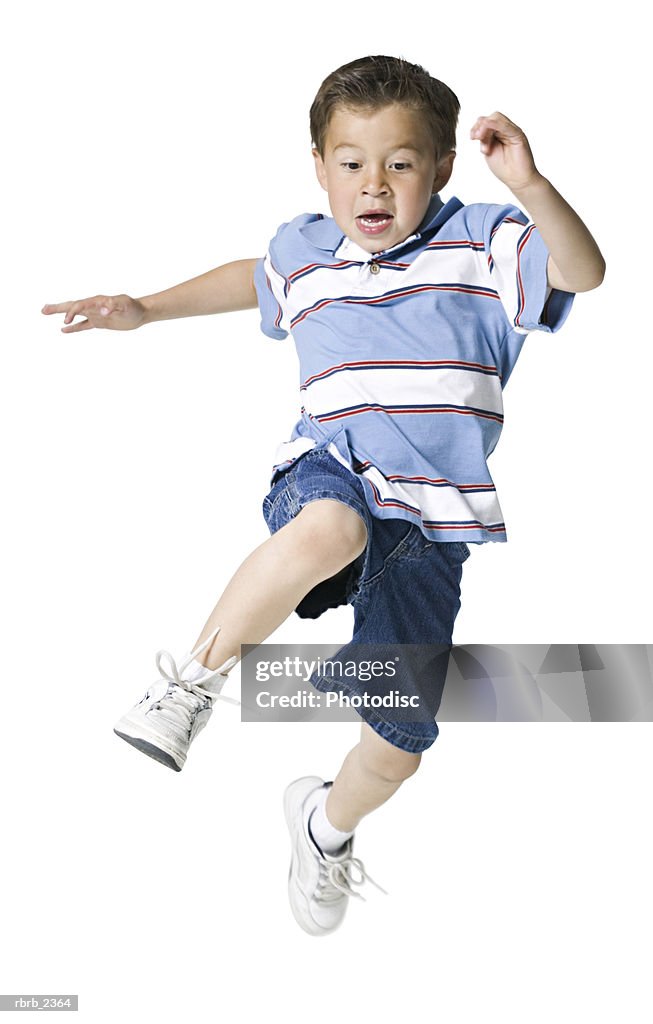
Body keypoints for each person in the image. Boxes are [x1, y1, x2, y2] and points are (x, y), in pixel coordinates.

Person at [41, 55, 605, 937]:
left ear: (442, 167)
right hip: (330, 467)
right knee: (330, 526)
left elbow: (582, 271)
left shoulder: (489, 240)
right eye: (350, 163)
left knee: (397, 749)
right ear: (319, 166)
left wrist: (529, 184)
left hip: (432, 528)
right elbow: (255, 277)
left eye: (400, 163)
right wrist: (143, 308)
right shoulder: (304, 247)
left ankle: (325, 829)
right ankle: (190, 684)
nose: (372, 184)